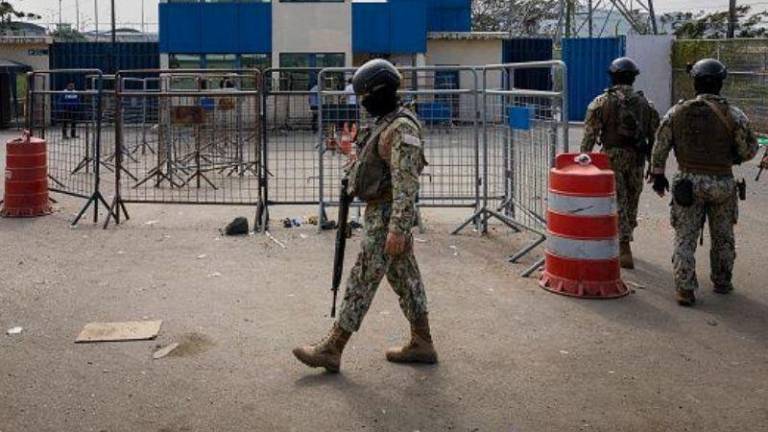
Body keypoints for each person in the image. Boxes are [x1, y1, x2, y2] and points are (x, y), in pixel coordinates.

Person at [293, 59, 436, 373]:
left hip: (387, 216)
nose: (363, 102)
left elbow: (406, 184)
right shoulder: (386, 123)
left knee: (363, 277)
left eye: (366, 96)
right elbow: (375, 164)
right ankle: (422, 341)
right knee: (405, 277)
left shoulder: (402, 128)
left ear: (380, 92)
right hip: (381, 212)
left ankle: (333, 347)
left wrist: (398, 229)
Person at [648, 58, 758, 307]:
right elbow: (749, 150)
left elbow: (660, 147)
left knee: (684, 236)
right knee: (723, 236)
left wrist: (658, 176)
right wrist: (733, 157)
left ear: (695, 82)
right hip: (722, 184)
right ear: (721, 83)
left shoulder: (676, 112)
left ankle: (685, 289)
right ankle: (722, 281)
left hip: (687, 183)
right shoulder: (734, 114)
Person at [581, 57, 660, 269]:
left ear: (612, 77)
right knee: (632, 198)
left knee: (618, 199)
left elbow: (589, 135)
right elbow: (656, 137)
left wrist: (584, 161)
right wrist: (654, 165)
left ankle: (623, 245)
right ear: (634, 78)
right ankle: (626, 238)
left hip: (612, 158)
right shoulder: (647, 104)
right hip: (637, 158)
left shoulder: (601, 102)